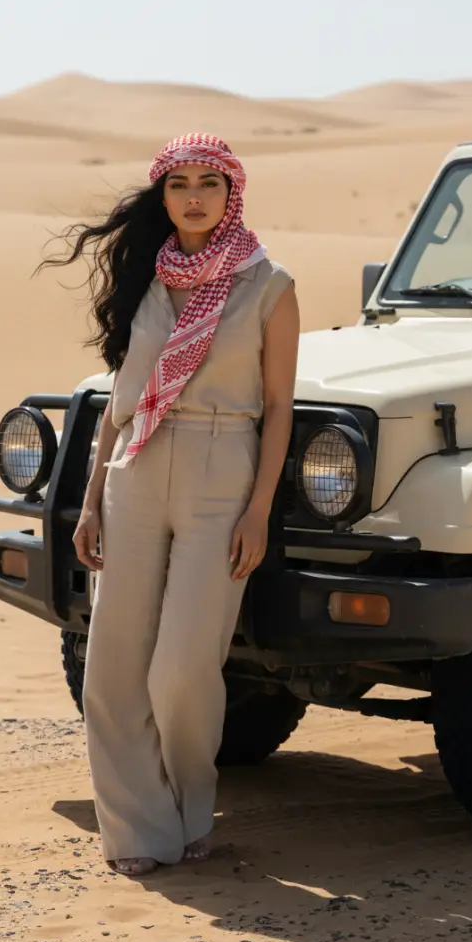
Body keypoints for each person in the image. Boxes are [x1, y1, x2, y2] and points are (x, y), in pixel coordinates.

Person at [39, 132, 299, 876]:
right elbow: (122, 404)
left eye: (208, 183)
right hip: (136, 471)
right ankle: (139, 833)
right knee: (114, 667)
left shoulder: (268, 285)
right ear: (162, 195)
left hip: (224, 472)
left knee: (183, 667)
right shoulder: (145, 280)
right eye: (178, 182)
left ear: (231, 193)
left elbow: (278, 406)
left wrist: (257, 511)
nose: (192, 196)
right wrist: (91, 502)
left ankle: (189, 804)